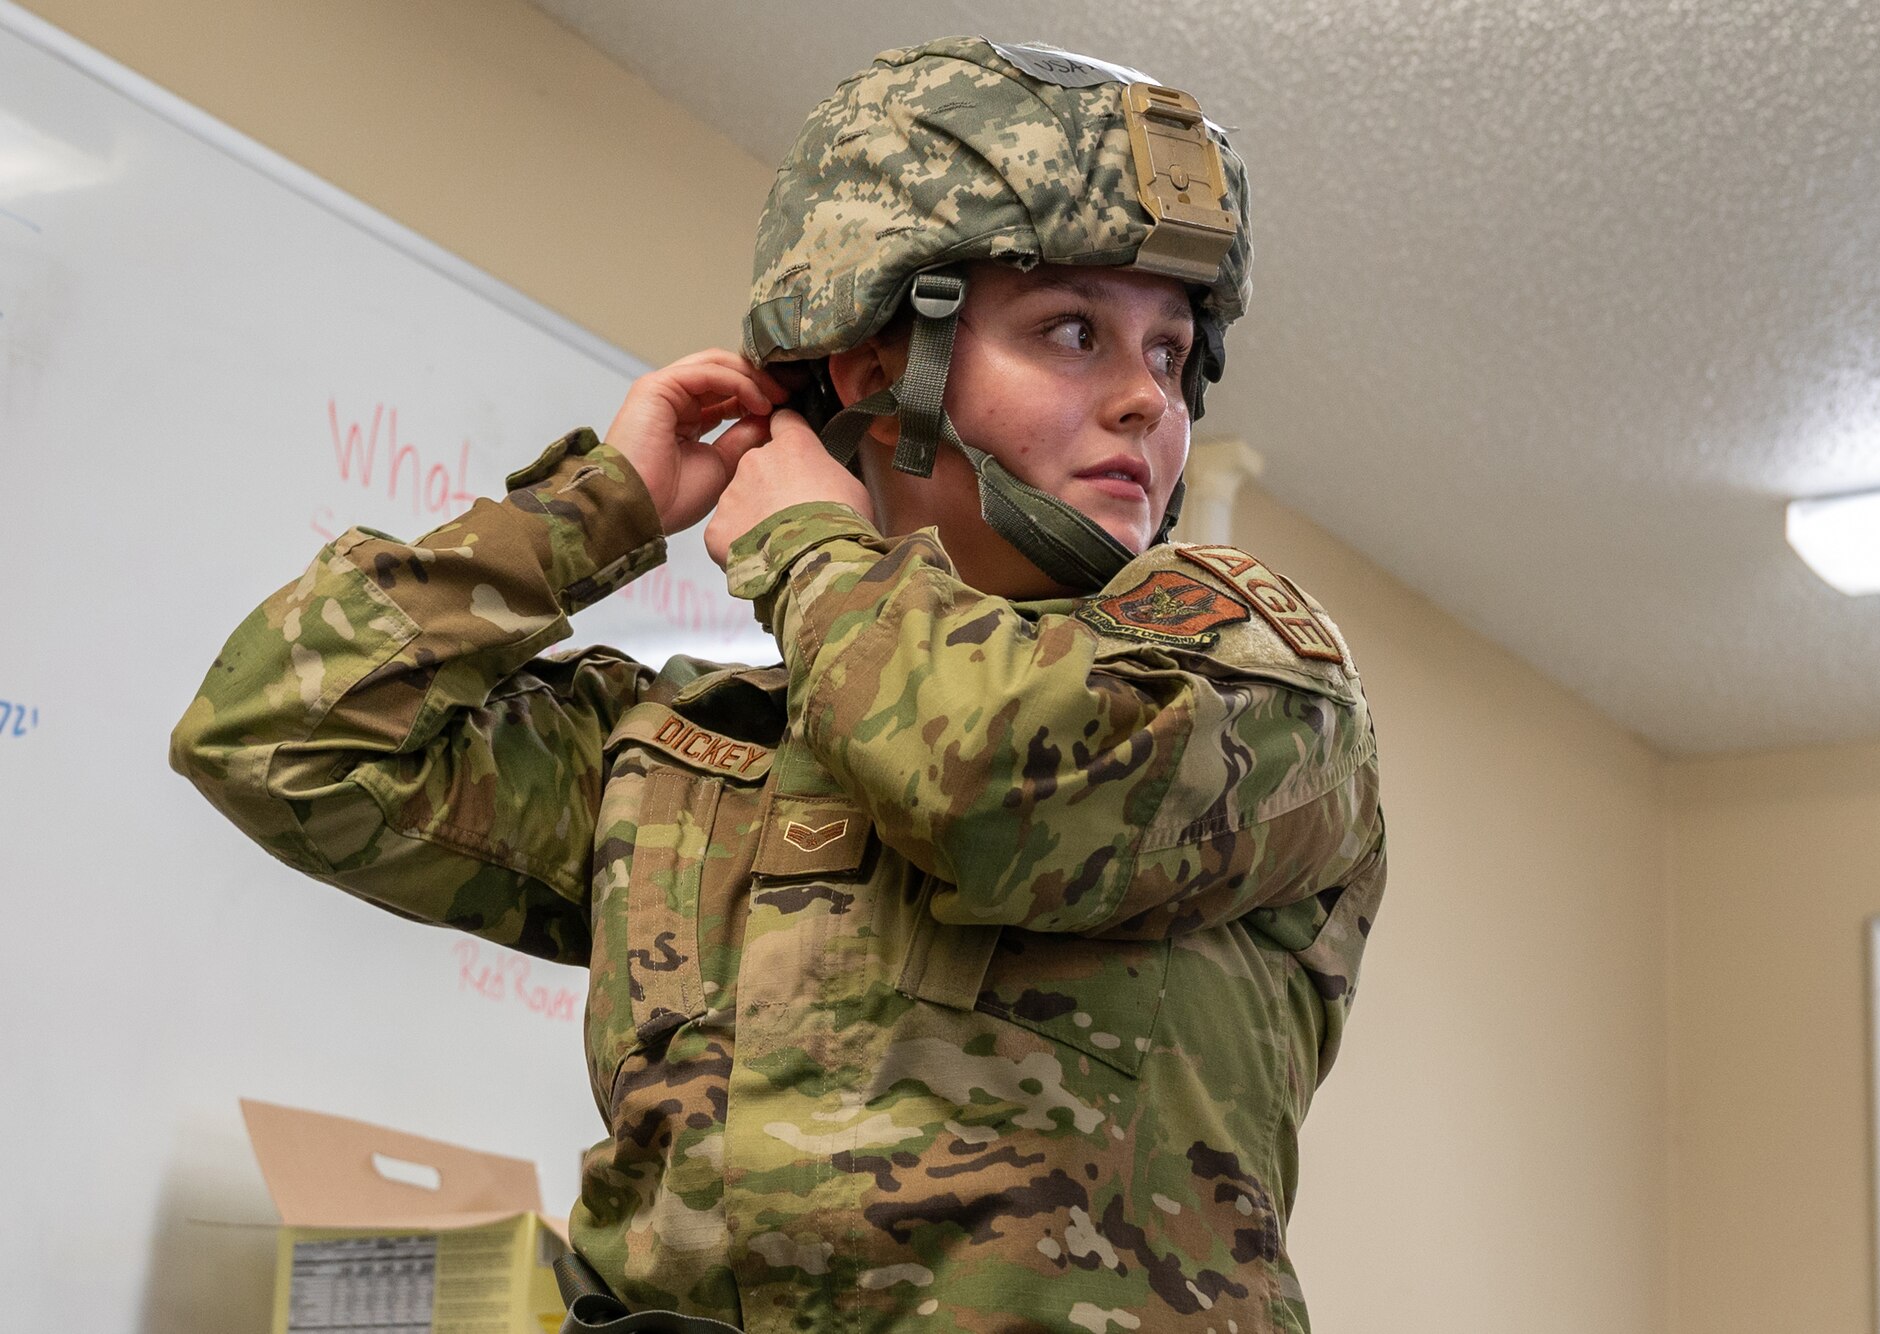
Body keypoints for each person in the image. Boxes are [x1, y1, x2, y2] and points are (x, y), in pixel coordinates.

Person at [170, 37, 1386, 1334]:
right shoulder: (692, 745)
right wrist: (598, 508)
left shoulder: (1246, 663)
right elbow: (280, 739)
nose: (1148, 401)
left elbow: (986, 781)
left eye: (1171, 353)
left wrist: (811, 550)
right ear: (877, 368)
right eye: (1076, 332)